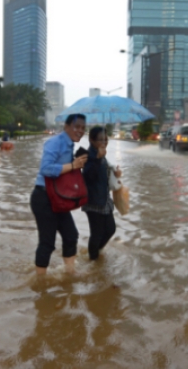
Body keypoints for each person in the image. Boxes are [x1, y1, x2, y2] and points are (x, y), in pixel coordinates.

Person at [31, 113, 88, 276]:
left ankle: (70, 274)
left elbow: (65, 174)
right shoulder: (55, 142)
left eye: (83, 128)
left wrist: (78, 164)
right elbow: (46, 169)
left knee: (71, 235)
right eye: (77, 127)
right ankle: (40, 283)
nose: (80, 131)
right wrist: (72, 165)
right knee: (47, 242)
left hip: (58, 199)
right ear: (66, 127)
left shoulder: (70, 145)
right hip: (43, 197)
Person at [81, 127, 121, 260]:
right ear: (91, 140)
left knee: (110, 229)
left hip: (103, 199)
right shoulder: (88, 156)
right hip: (93, 201)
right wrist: (98, 158)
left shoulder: (101, 154)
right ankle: (93, 261)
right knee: (97, 233)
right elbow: (89, 176)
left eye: (106, 139)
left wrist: (115, 174)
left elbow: (104, 176)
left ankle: (95, 251)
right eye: (100, 140)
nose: (104, 142)